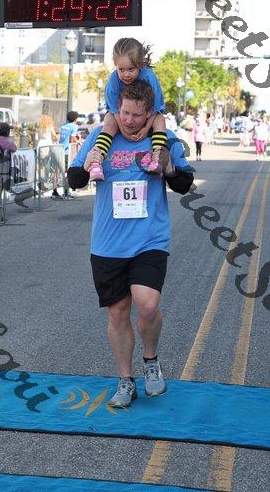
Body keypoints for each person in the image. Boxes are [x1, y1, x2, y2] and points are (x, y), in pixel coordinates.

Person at [67, 81, 194, 408]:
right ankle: (126, 380)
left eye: (137, 115)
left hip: (149, 239)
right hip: (107, 243)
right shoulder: (102, 137)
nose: (129, 120)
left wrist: (169, 168)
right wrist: (86, 164)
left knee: (147, 304)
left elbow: (184, 183)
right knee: (118, 313)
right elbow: (74, 180)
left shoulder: (163, 139)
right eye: (125, 113)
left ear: (150, 114)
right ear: (117, 110)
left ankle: (151, 361)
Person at [87, 38, 167, 181]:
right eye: (121, 70)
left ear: (139, 64)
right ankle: (96, 162)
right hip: (119, 117)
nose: (126, 74)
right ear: (115, 65)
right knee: (108, 119)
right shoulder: (113, 80)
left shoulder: (149, 76)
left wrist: (146, 128)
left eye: (131, 69)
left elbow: (156, 108)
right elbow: (114, 110)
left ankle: (158, 158)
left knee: (160, 119)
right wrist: (124, 130)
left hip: (148, 116)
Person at [57, 111, 80, 199]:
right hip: (68, 152)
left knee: (62, 172)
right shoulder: (74, 126)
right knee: (68, 172)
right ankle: (67, 193)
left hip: (60, 150)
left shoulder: (63, 126)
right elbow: (73, 139)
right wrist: (79, 141)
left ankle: (63, 191)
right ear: (75, 119)